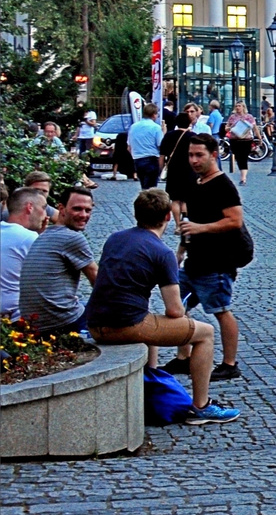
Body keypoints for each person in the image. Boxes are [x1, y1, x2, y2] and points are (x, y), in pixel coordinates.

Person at [83, 189, 241, 425]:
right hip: (124, 325)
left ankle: (152, 386)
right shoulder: (162, 252)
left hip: (96, 322)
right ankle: (201, 406)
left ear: (136, 213)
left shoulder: (115, 238)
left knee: (150, 322)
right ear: (168, 216)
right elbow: (175, 311)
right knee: (205, 333)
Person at [167, 134, 246, 381]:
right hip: (194, 261)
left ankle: (230, 363)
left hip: (218, 263)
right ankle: (184, 358)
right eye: (191, 155)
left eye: (199, 155)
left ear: (214, 155)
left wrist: (202, 229)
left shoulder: (223, 185)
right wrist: (182, 249)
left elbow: (235, 220)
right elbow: (191, 222)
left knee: (221, 310)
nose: (193, 160)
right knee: (176, 308)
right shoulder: (196, 183)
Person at [18, 186, 98, 336]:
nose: (83, 215)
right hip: (61, 322)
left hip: (33, 322)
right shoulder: (72, 237)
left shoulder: (44, 234)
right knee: (135, 318)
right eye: (77, 209)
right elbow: (98, 281)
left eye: (88, 210)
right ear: (61, 208)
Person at [2, 187, 48, 317]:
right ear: (30, 207)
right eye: (43, 208)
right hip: (15, 315)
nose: (45, 215)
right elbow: (46, 283)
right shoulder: (29, 237)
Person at [160, 111, 197, 213]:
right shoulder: (193, 136)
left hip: (173, 170)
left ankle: (177, 225)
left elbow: (162, 154)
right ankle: (185, 222)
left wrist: (161, 169)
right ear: (189, 123)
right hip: (189, 170)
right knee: (186, 199)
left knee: (175, 200)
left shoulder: (169, 136)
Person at [127, 104, 164, 190]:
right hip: (151, 159)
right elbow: (160, 145)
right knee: (151, 188)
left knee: (144, 186)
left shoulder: (133, 127)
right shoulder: (156, 127)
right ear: (154, 114)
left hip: (137, 159)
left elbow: (129, 147)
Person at [224, 102, 258, 186]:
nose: (237, 107)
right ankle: (242, 173)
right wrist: (231, 127)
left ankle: (243, 178)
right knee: (238, 158)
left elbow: (255, 128)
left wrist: (259, 138)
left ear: (243, 107)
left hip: (246, 140)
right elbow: (226, 128)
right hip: (235, 140)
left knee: (243, 158)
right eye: (236, 106)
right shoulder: (232, 117)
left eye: (239, 106)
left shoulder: (249, 117)